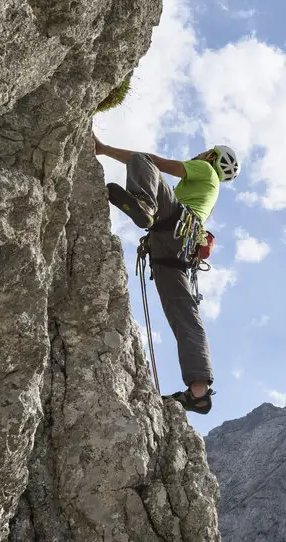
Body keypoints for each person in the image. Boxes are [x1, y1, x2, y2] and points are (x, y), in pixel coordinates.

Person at [93, 132, 239, 414]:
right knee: (185, 314)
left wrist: (105, 149)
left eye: (206, 152)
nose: (200, 154)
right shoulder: (205, 188)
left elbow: (154, 163)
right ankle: (199, 391)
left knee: (141, 159)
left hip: (172, 228)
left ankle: (145, 204)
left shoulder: (206, 169)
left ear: (212, 157)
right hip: (175, 250)